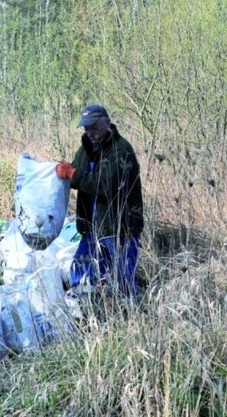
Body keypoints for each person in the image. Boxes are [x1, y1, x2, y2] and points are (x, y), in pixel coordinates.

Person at [56, 104, 144, 299]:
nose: (90, 132)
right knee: (81, 269)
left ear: (106, 122)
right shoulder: (86, 149)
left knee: (124, 278)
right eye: (86, 128)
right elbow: (76, 174)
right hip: (92, 226)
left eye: (94, 126)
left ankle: (132, 314)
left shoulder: (121, 150)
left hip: (120, 227)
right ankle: (85, 308)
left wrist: (72, 174)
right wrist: (62, 172)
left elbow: (103, 184)